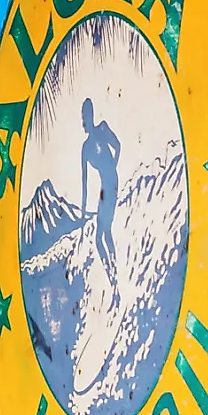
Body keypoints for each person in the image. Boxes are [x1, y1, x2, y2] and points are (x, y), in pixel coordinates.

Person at [80, 96, 122, 278]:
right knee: (101, 236)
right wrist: (82, 212)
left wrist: (112, 166)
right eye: (82, 117)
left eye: (86, 116)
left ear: (91, 116)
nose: (83, 121)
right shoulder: (85, 148)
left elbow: (118, 146)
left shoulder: (103, 129)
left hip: (111, 183)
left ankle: (115, 271)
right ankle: (112, 272)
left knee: (104, 233)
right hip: (105, 187)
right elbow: (85, 181)